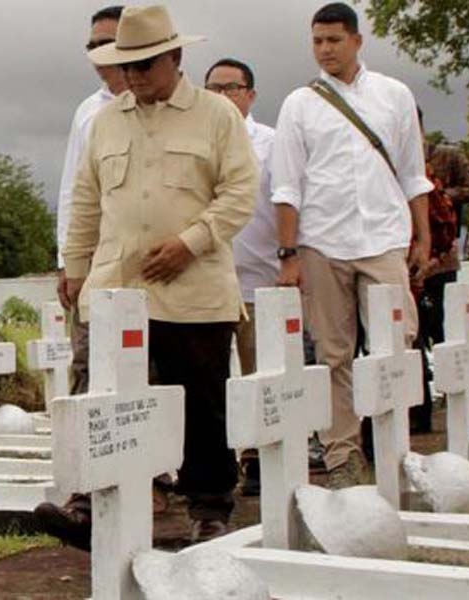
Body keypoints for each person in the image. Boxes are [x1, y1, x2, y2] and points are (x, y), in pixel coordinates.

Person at [35, 4, 258, 546]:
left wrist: (190, 243)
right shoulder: (106, 120)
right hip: (117, 288)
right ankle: (92, 503)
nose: (132, 77)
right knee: (103, 397)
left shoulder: (217, 115)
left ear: (176, 58)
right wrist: (77, 269)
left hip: (193, 287)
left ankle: (208, 508)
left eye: (145, 66)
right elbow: (87, 202)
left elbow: (239, 195)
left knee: (202, 402)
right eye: (126, 67)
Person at [271, 2, 433, 488]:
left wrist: (422, 237)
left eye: (334, 40)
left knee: (397, 342)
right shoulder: (298, 104)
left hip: (383, 236)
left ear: (357, 41)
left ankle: (391, 443)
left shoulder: (393, 95)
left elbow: (412, 173)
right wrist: (288, 254)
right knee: (333, 352)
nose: (325, 50)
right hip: (322, 240)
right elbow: (286, 186)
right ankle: (343, 455)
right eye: (317, 41)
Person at [204, 57, 275, 496]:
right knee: (210, 376)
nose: (222, 97)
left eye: (231, 88)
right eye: (213, 88)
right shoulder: (195, 140)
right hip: (209, 278)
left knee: (259, 373)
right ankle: (217, 463)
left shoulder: (271, 142)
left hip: (258, 276)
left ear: (250, 94)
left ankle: (258, 457)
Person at [56, 5, 128, 396]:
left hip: (144, 256)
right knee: (87, 358)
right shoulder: (88, 112)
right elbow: (72, 190)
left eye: (108, 43)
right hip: (95, 257)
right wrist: (67, 261)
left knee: (142, 361)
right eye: (92, 45)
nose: (98, 53)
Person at [408, 107, 469, 432]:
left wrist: (438, 196)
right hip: (407, 264)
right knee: (412, 338)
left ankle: (459, 410)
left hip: (442, 262)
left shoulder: (447, 157)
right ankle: (418, 412)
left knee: (444, 334)